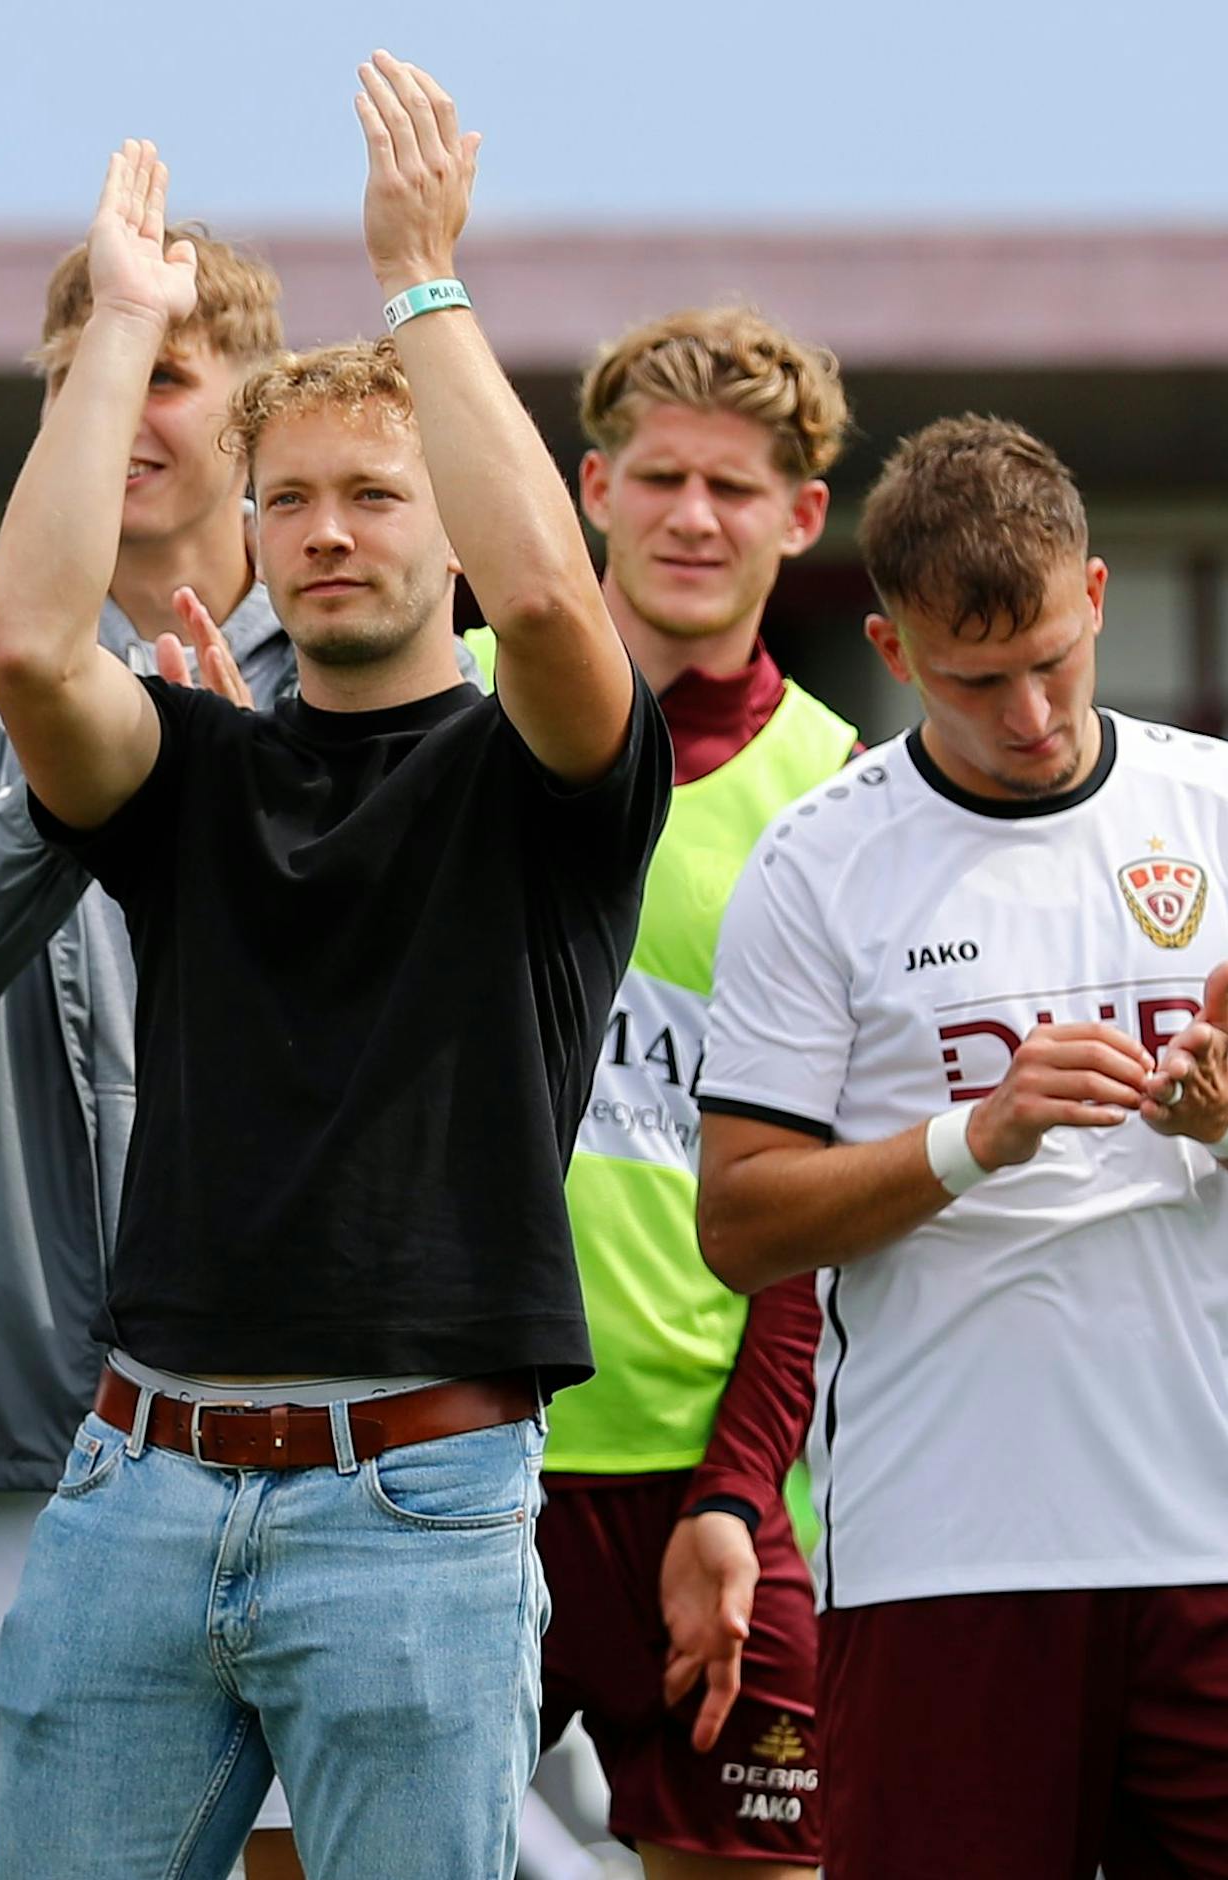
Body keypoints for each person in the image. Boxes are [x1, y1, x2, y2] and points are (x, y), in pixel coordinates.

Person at [0, 52, 670, 1880]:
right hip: (136, 1479)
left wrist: (421, 276)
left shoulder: (549, 776)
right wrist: (125, 329)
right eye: (289, 501)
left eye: (377, 492)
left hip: (417, 1498)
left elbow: (551, 605)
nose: (331, 532)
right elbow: (31, 650)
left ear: (452, 520)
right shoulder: (193, 761)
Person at [0, 223, 302, 1871]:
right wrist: (72, 767)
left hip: (320, 1406)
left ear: (253, 407)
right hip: (26, 1399)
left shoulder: (369, 651)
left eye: (166, 370)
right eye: (87, 373)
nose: (124, 408)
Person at [693, 415, 1228, 1880]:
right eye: (979, 681)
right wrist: (971, 1138)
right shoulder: (819, 862)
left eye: (1054, 660)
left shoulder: (1214, 810)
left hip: (1209, 1544)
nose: (1033, 715)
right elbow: (739, 1226)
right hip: (947, 1555)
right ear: (894, 648)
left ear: (1097, 595)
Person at [479, 308, 853, 1879]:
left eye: (734, 486)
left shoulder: (841, 794)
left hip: (713, 1495)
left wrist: (738, 1494)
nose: (695, 517)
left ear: (802, 515)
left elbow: (821, 1208)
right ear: (592, 488)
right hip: (458, 1459)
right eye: (661, 478)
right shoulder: (449, 705)